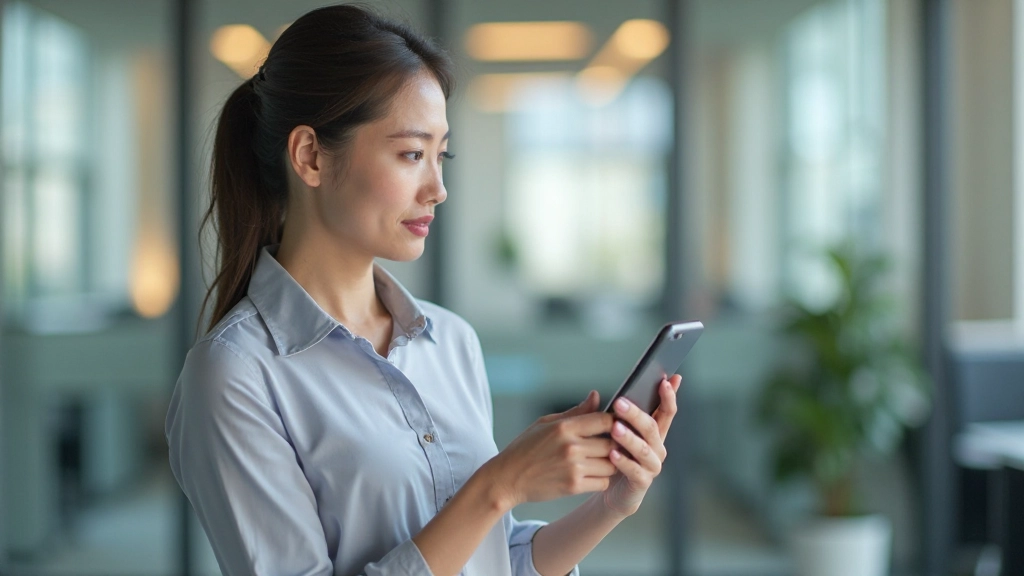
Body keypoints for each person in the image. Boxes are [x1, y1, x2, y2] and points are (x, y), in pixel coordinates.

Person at [165, 5, 682, 576]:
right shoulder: (235, 375)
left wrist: (610, 506)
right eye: (412, 154)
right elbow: (485, 506)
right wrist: (498, 484)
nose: (437, 189)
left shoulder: (450, 340)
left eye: (442, 156)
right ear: (310, 155)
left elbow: (493, 558)